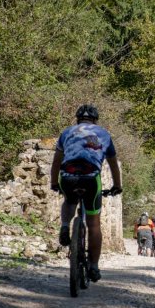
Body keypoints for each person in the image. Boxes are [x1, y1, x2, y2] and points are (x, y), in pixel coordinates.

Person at [50, 104, 122, 283]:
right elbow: (113, 163)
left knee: (69, 201)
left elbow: (56, 162)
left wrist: (53, 182)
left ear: (77, 119)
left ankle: (65, 225)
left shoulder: (67, 133)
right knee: (94, 223)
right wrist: (117, 185)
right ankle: (94, 266)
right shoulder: (104, 134)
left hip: (68, 176)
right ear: (95, 120)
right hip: (91, 178)